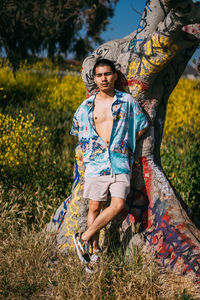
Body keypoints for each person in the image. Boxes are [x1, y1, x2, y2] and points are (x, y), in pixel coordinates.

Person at [71, 58, 149, 265]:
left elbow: (143, 124)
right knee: (94, 207)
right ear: (94, 79)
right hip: (96, 163)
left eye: (107, 74)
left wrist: (127, 143)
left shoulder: (127, 101)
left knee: (117, 204)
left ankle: (84, 238)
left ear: (115, 76)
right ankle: (93, 253)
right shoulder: (86, 106)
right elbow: (77, 131)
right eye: (99, 75)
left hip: (120, 161)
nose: (104, 79)